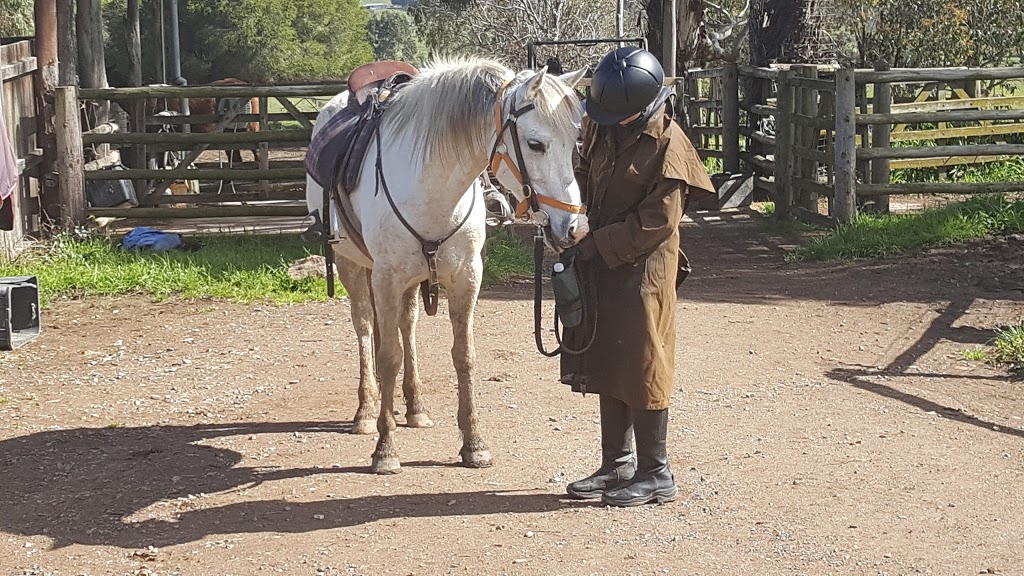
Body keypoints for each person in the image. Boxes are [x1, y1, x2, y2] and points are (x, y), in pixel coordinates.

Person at [559, 47, 716, 507]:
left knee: (645, 363)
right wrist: (572, 219)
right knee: (610, 357)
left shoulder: (670, 146)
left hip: (645, 270)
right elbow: (583, 172)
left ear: (643, 105)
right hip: (603, 262)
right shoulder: (603, 123)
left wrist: (598, 244)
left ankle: (656, 472)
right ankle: (617, 464)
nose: (610, 122)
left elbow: (657, 222)